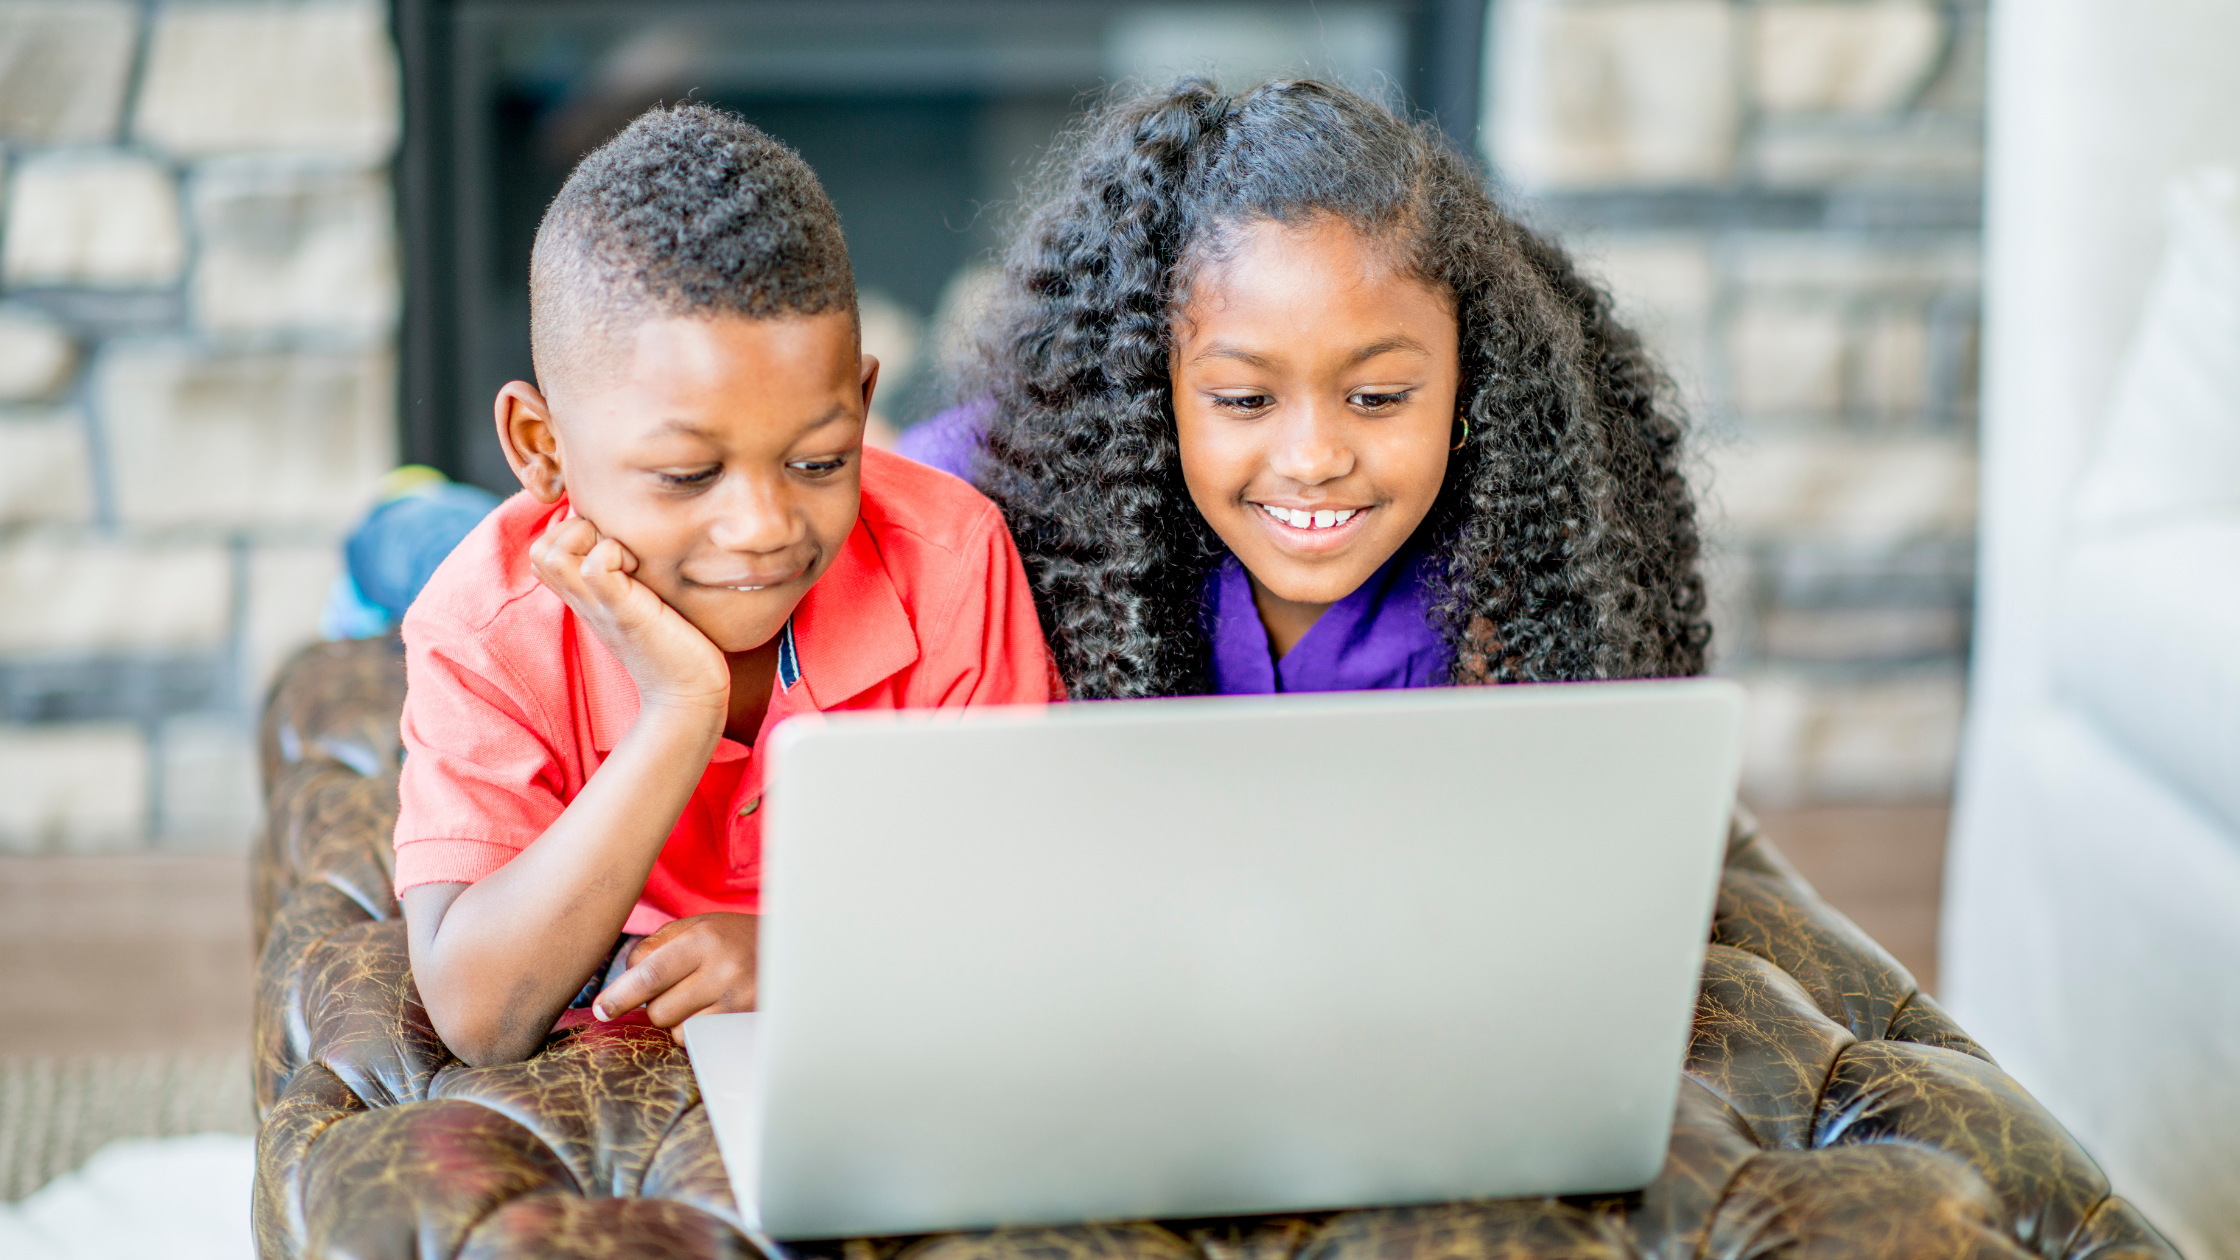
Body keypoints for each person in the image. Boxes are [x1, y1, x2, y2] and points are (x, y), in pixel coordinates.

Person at [395, 105, 1060, 1067]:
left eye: (819, 461)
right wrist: (680, 706)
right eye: (687, 475)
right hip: (481, 563)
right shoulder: (483, 626)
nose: (764, 529)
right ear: (544, 450)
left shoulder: (952, 559)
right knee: (409, 551)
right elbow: (479, 1013)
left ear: (863, 405)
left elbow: (1017, 911)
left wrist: (805, 955)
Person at [899, 78, 1708, 698]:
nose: (1314, 459)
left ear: (1473, 388)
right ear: (1149, 390)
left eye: (1379, 396)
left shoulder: (1531, 556)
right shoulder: (976, 505)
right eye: (1247, 400)